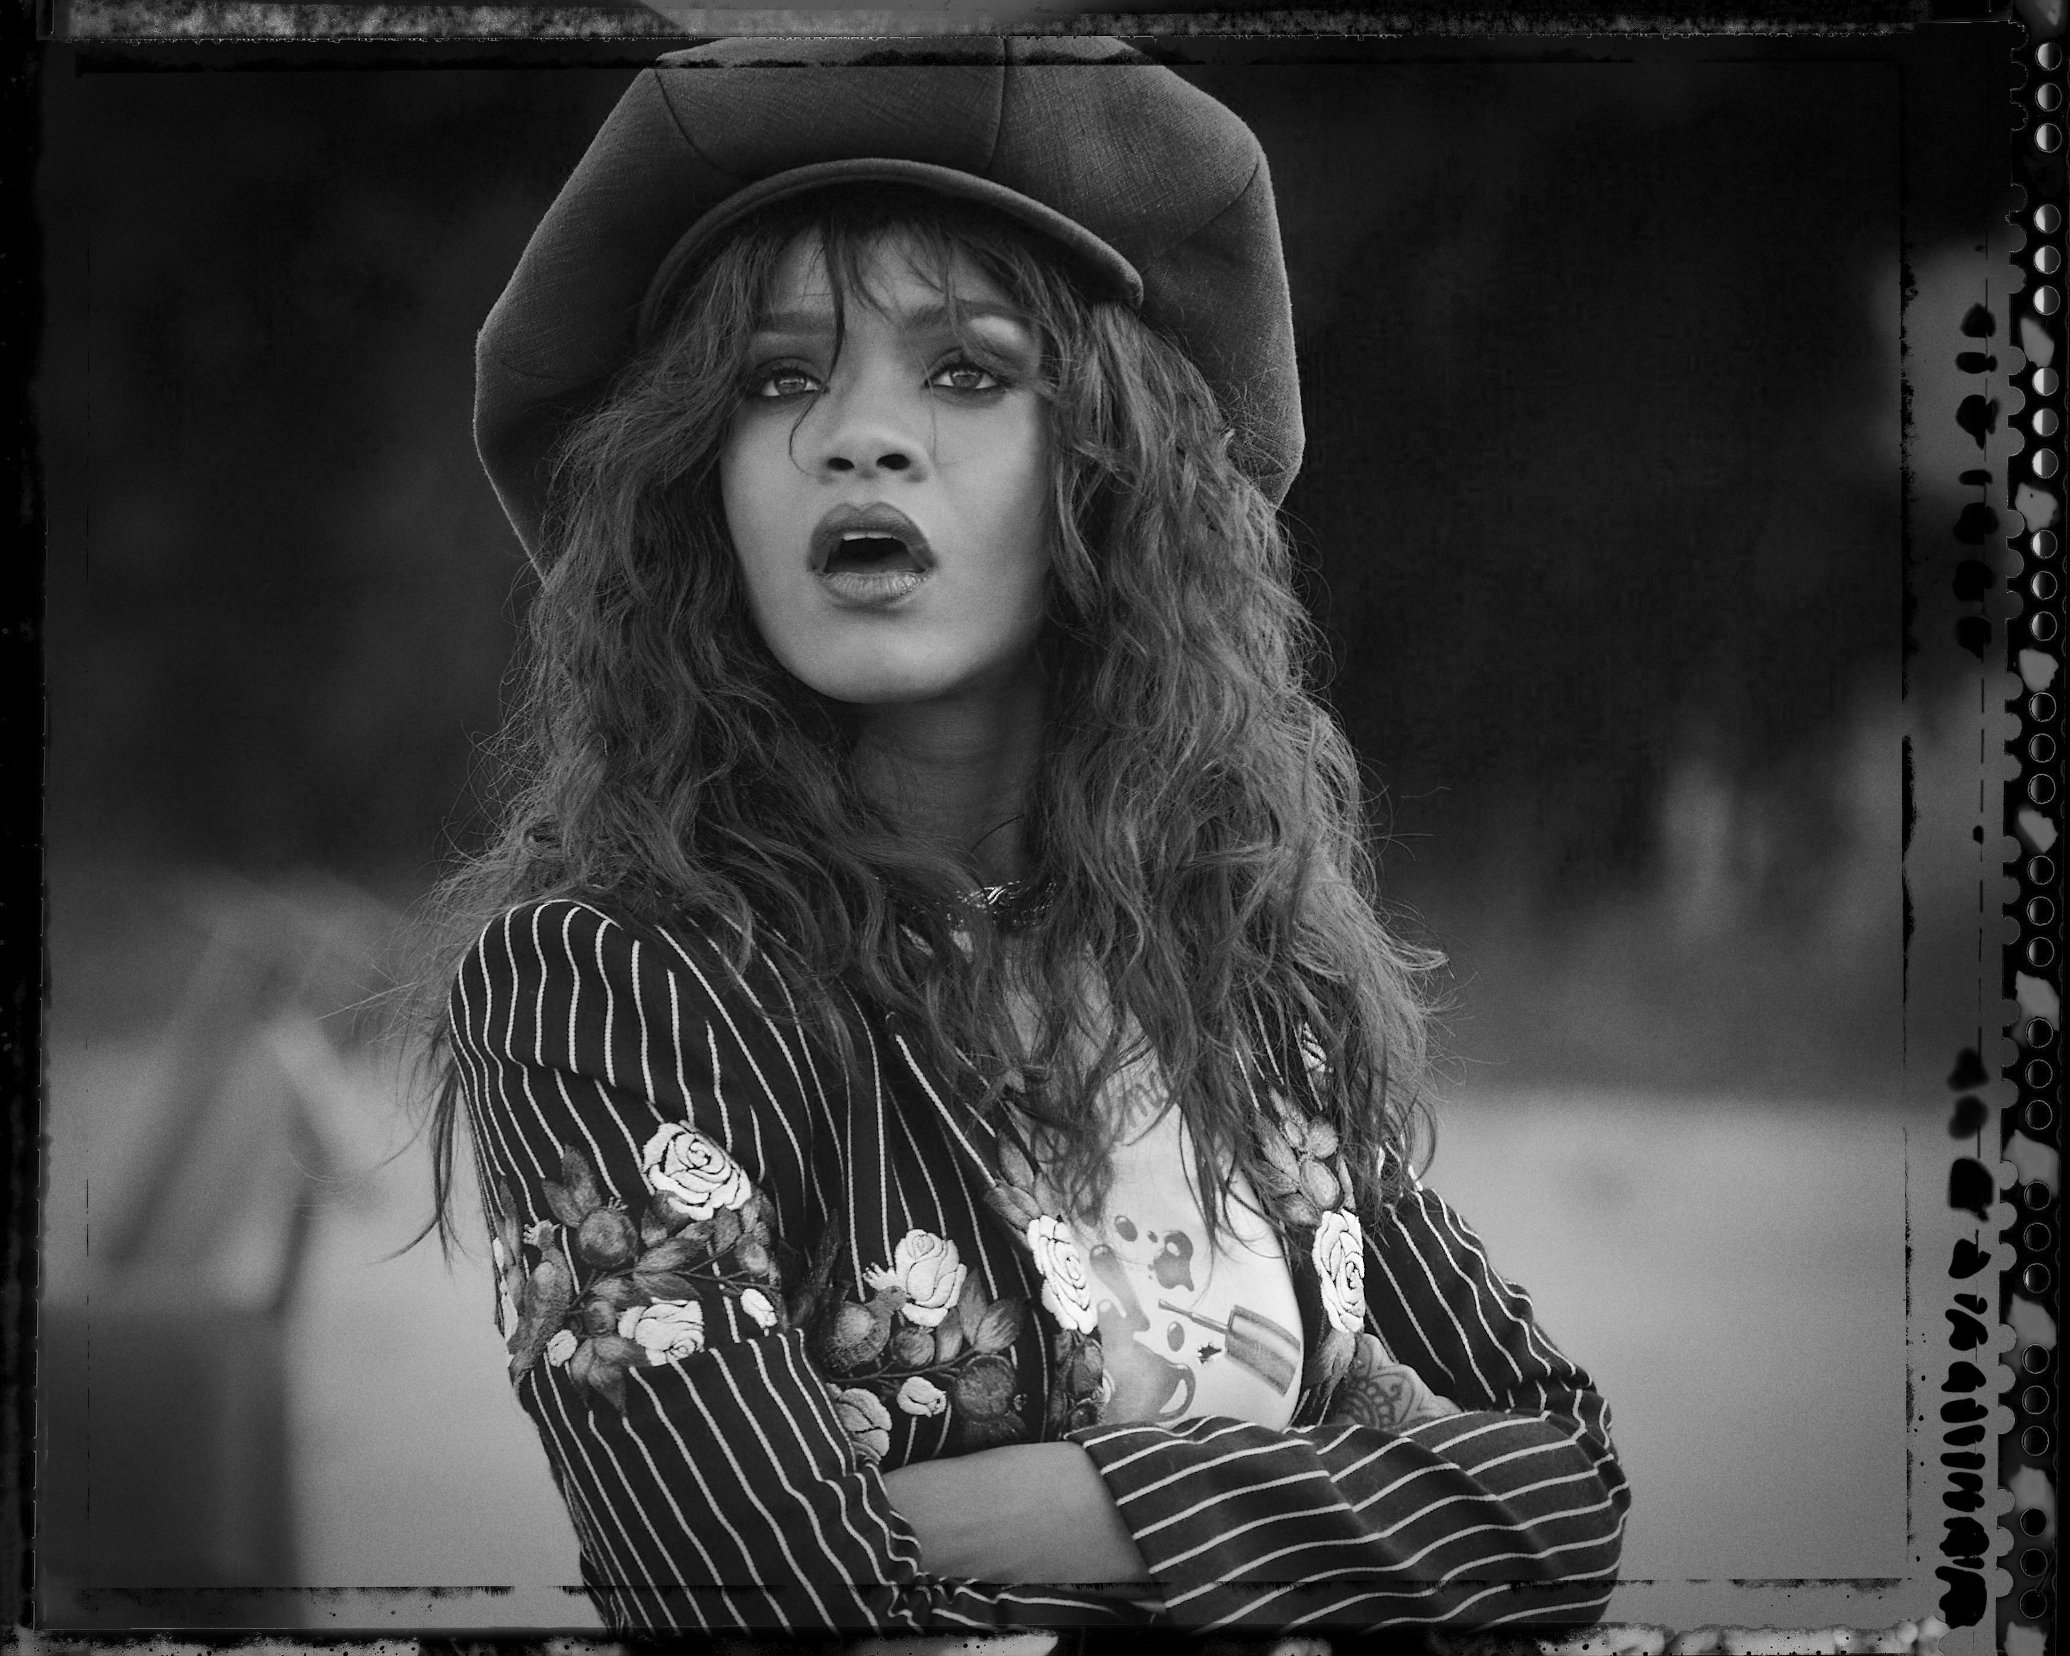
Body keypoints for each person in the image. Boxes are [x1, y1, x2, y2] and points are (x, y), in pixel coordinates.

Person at [421, 36, 1628, 1636]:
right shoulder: (613, 984)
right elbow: (750, 1592)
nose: (857, 436)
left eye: (966, 372)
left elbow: (1563, 1496)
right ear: (695, 483)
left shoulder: (1233, 975)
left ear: (1112, 473)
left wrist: (1059, 1505)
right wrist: (1333, 1514)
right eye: (776, 379)